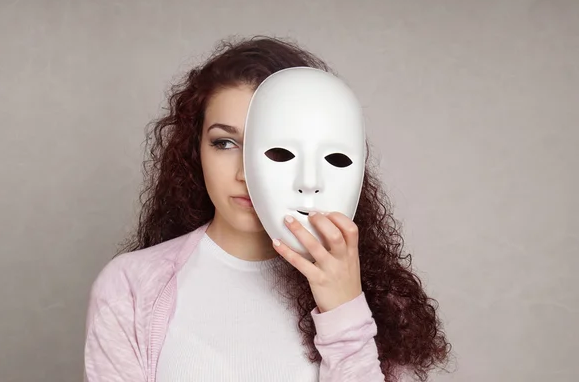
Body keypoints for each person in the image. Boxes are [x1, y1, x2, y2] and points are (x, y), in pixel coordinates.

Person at [84, 36, 450, 382]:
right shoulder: (131, 288)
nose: (245, 174)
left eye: (273, 150)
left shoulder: (373, 299)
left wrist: (344, 310)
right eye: (225, 143)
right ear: (195, 151)